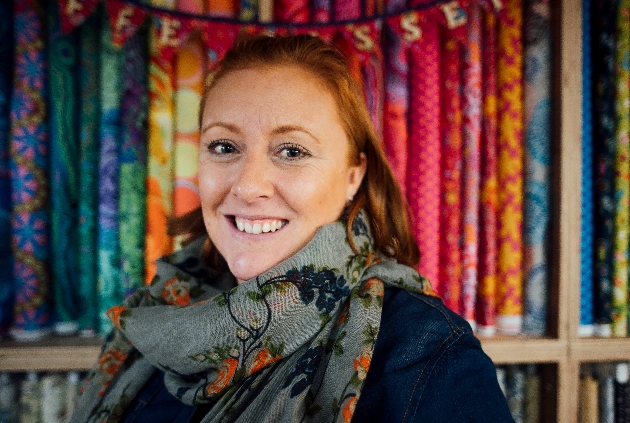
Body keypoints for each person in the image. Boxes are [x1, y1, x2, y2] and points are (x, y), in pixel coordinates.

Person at [71, 34, 514, 423]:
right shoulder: (162, 304)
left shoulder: (428, 356)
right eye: (224, 146)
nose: (247, 185)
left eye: (292, 151)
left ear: (352, 176)